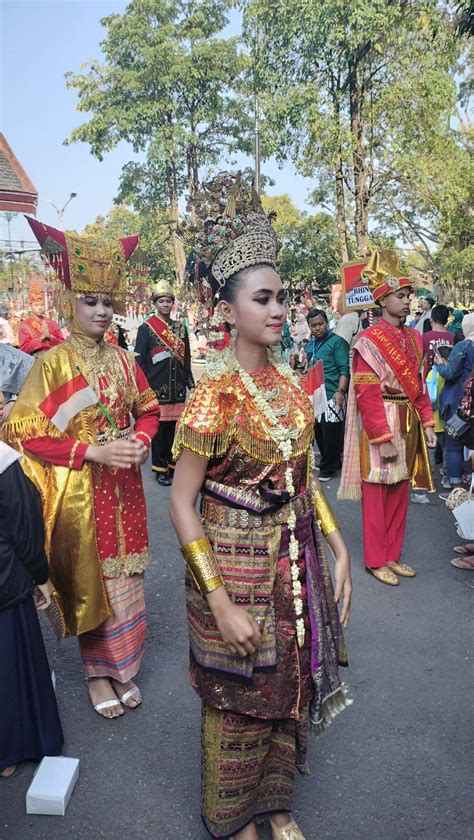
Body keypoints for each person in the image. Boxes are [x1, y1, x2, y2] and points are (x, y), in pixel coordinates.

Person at [169, 173, 352, 840]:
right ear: (230, 307)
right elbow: (182, 504)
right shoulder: (213, 394)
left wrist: (338, 548)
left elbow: (304, 482)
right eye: (265, 298)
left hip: (291, 568)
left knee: (286, 687)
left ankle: (274, 805)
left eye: (284, 298)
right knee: (237, 696)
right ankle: (232, 817)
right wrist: (217, 599)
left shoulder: (295, 391)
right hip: (233, 572)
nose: (280, 310)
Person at [3, 218, 160, 719]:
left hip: (126, 492)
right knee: (94, 585)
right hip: (80, 496)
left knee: (127, 585)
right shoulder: (52, 362)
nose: (100, 310)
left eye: (107, 302)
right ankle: (97, 677)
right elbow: (22, 431)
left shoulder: (121, 357)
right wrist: (92, 452)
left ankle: (123, 668)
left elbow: (150, 408)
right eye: (89, 300)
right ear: (69, 300)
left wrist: (139, 439)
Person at [339, 250, 437, 586]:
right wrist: (382, 437)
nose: (408, 301)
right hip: (382, 422)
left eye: (408, 295)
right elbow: (366, 393)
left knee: (400, 491)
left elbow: (420, 385)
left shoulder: (413, 337)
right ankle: (375, 560)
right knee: (377, 494)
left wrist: (427, 423)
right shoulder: (369, 340)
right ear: (383, 301)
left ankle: (393, 555)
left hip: (408, 421)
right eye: (401, 296)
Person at [0, 391, 63, 779]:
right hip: (6, 585)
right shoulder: (6, 465)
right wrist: (43, 579)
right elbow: (24, 533)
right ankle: (12, 748)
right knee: (11, 664)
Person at [135, 281, 195, 485]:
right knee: (159, 432)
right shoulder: (147, 328)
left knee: (174, 430)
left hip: (177, 388)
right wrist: (143, 389)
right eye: (162, 301)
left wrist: (191, 385)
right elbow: (139, 361)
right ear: (155, 303)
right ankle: (160, 468)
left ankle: (173, 465)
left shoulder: (180, 328)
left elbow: (186, 360)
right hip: (156, 387)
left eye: (169, 301)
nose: (166, 304)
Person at [305, 308, 350, 481]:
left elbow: (344, 369)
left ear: (327, 323)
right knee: (319, 430)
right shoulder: (311, 344)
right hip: (316, 394)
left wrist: (341, 392)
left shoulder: (337, 342)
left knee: (331, 431)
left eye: (320, 324)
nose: (317, 328)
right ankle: (331, 461)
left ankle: (329, 467)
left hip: (333, 393)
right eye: (313, 325)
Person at [434, 313, 474, 491]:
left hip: (461, 403)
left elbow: (450, 373)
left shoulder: (464, 346)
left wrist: (440, 363)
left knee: (454, 446)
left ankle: (457, 486)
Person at [18, 283, 65, 356]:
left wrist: (51, 337)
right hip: (34, 361)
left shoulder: (52, 323)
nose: (40, 308)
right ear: (31, 306)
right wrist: (40, 339)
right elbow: (23, 349)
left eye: (42, 304)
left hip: (53, 359)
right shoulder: (25, 325)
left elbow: (62, 344)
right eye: (36, 305)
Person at [422, 304, 454, 373]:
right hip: (448, 378)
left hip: (429, 380)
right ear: (446, 320)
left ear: (431, 319)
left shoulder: (424, 337)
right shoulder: (453, 337)